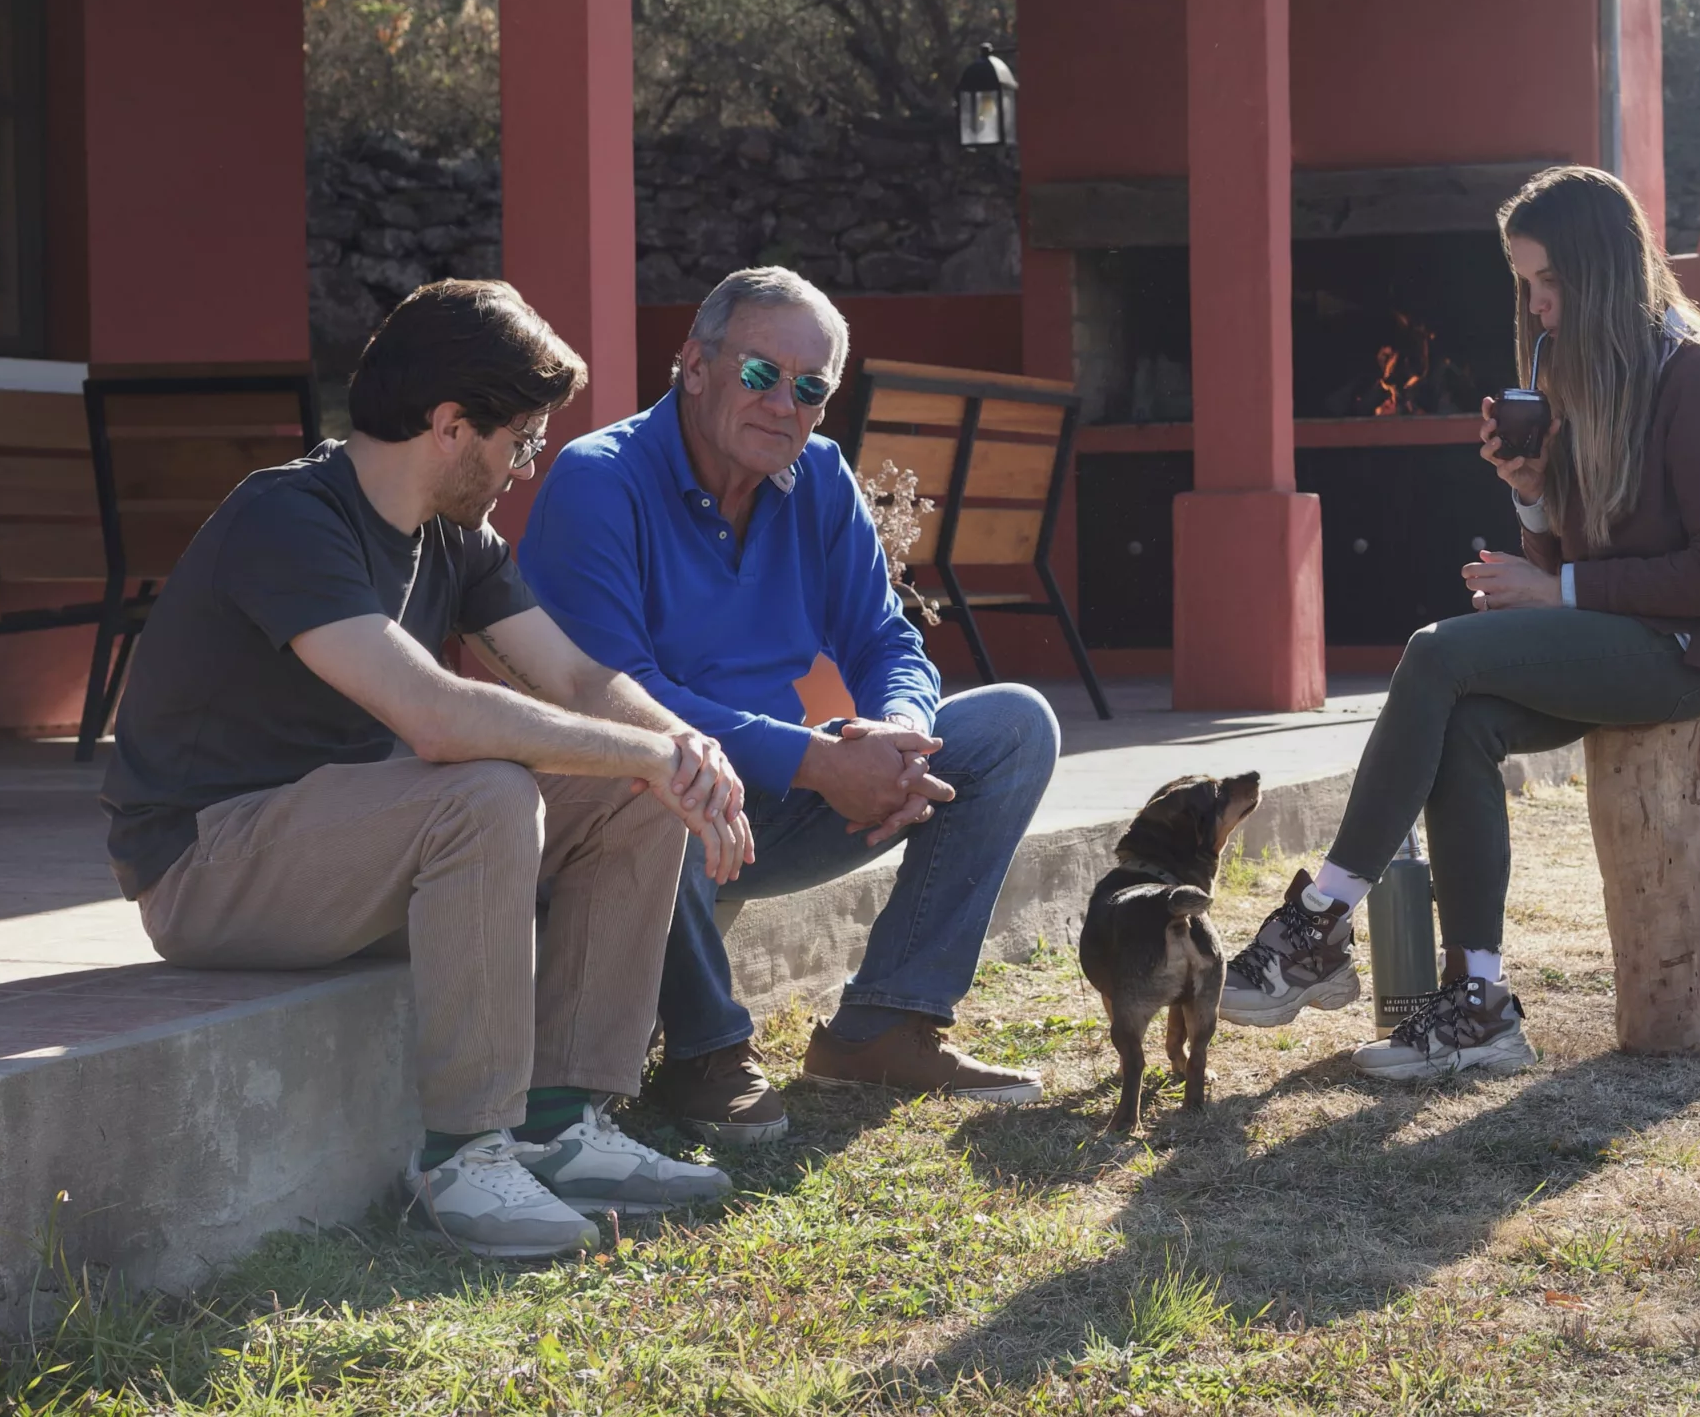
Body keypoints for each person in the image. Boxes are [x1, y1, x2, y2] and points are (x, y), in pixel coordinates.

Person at [101, 280, 756, 1259]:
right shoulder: (288, 516)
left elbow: (576, 676)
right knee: (485, 789)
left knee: (631, 793)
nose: (525, 468)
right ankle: (463, 1154)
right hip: (206, 866)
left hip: (344, 851)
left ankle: (562, 1120)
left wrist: (685, 751)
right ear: (452, 426)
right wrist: (654, 752)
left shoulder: (457, 539)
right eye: (521, 440)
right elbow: (438, 719)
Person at [1219, 166, 1700, 1079]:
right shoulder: (1597, 377)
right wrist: (1531, 493)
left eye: (1550, 280)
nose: (1537, 305)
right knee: (1463, 723)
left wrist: (1555, 594)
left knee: (1438, 653)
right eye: (1525, 283)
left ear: (1605, 271)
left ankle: (1317, 920)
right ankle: (1478, 1001)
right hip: (1628, 640)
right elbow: (1581, 552)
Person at [519, 266, 1060, 1143]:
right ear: (695, 366)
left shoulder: (819, 476)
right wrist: (816, 760)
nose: (785, 405)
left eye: (812, 389)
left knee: (1013, 727)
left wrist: (900, 735)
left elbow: (885, 638)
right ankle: (705, 1053)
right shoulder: (599, 480)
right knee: (650, 765)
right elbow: (617, 695)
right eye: (762, 374)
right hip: (636, 812)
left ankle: (886, 1025)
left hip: (773, 800)